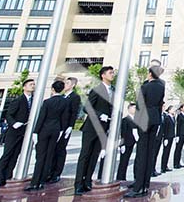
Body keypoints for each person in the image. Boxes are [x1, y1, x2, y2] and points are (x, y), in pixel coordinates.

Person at [74, 65, 115, 195]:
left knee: (94, 156)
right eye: (110, 73)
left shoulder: (113, 90)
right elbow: (87, 108)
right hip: (92, 127)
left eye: (113, 73)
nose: (112, 75)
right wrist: (100, 115)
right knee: (85, 155)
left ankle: (87, 182)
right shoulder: (97, 89)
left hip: (103, 128)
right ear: (103, 75)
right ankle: (78, 184)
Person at [126, 65, 165, 197]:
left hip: (144, 120)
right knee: (150, 153)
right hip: (155, 119)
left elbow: (139, 105)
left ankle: (138, 187)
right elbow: (160, 103)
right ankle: (145, 184)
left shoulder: (145, 87)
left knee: (142, 153)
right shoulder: (161, 87)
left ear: (149, 74)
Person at [26, 80, 69, 191]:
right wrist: (61, 131)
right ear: (62, 89)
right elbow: (64, 119)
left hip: (44, 130)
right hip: (56, 130)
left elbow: (41, 118)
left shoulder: (47, 102)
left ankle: (35, 182)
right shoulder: (65, 102)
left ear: (52, 89)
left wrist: (35, 132)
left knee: (40, 156)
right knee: (49, 156)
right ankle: (42, 182)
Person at [0, 78, 35, 187]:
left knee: (15, 155)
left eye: (33, 84)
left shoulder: (34, 101)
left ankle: (8, 176)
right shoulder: (18, 100)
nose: (33, 86)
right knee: (7, 154)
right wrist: (14, 123)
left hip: (24, 133)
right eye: (31, 84)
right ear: (24, 87)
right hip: (14, 132)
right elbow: (9, 114)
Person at [48, 76, 80, 183]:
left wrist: (71, 126)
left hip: (65, 127)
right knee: (53, 149)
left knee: (61, 149)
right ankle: (50, 172)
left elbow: (74, 112)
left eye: (67, 83)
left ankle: (56, 173)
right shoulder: (61, 97)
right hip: (56, 126)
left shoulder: (75, 97)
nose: (64, 85)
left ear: (73, 85)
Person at [117, 103, 137, 182]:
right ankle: (120, 177)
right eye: (133, 108)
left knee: (127, 160)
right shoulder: (125, 120)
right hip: (126, 143)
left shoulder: (135, 120)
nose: (135, 109)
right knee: (123, 161)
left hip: (132, 142)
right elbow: (123, 133)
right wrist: (122, 144)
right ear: (129, 109)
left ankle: (123, 177)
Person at [160, 104, 175, 173]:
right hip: (167, 136)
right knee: (165, 152)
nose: (173, 110)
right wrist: (165, 137)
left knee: (168, 151)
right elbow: (165, 128)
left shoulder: (172, 117)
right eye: (172, 109)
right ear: (169, 110)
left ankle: (165, 165)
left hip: (171, 136)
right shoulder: (167, 117)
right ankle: (163, 167)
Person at [173, 104, 184, 169]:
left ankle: (178, 162)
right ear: (181, 108)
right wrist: (177, 135)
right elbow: (178, 126)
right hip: (180, 134)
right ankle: (175, 163)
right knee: (178, 148)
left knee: (180, 148)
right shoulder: (180, 116)